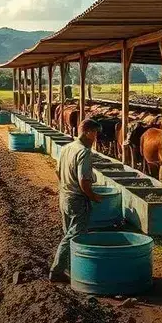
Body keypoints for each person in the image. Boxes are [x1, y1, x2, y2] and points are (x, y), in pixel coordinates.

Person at [50, 118, 103, 282]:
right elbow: (84, 181)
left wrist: (66, 186)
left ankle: (72, 268)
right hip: (77, 199)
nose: (96, 137)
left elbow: (57, 171)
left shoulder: (67, 148)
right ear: (88, 132)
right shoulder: (84, 152)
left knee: (68, 232)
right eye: (95, 133)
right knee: (74, 234)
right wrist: (93, 196)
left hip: (64, 196)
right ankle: (57, 270)